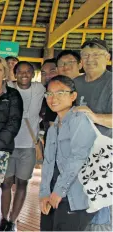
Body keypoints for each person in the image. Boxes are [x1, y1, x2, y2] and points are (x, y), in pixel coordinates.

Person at [39, 75, 97, 231]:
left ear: (73, 96)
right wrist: (44, 193)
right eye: (49, 94)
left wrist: (59, 191)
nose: (53, 98)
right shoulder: (52, 128)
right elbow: (48, 163)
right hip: (53, 195)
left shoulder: (79, 120)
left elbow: (78, 157)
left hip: (73, 196)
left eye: (60, 93)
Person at [0, 61, 45, 231]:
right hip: (8, 145)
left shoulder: (40, 88)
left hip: (28, 146)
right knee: (5, 183)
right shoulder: (8, 88)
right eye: (20, 71)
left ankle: (13, 220)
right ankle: (3, 218)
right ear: (15, 73)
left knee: (22, 183)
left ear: (33, 74)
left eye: (28, 72)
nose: (24, 74)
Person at [74, 38, 112, 231]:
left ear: (107, 57)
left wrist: (95, 116)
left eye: (96, 55)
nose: (90, 59)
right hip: (76, 157)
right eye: (86, 55)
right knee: (78, 210)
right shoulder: (74, 83)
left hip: (104, 158)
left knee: (100, 215)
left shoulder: (111, 82)